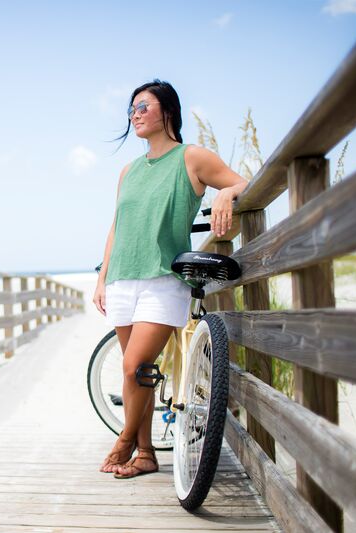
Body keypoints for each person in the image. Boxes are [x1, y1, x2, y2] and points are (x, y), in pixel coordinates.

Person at [94, 79, 248, 479]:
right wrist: (102, 278)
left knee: (133, 367)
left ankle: (124, 440)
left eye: (143, 106)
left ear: (168, 111)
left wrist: (226, 196)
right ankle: (145, 453)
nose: (135, 114)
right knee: (140, 374)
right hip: (122, 278)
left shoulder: (190, 158)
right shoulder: (128, 171)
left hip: (163, 279)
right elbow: (117, 226)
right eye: (131, 109)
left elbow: (240, 182)